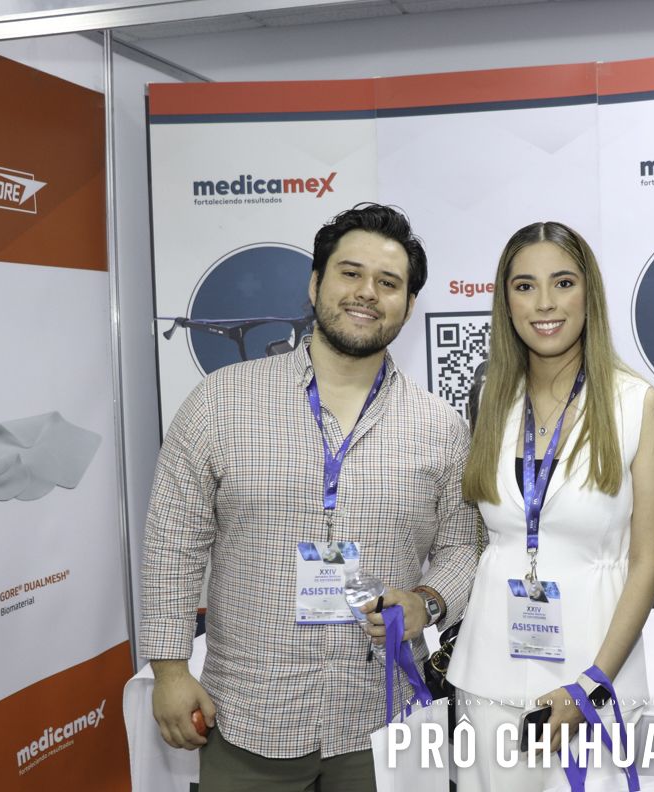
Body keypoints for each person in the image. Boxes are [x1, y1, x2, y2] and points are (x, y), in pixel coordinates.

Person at [141, 203, 481, 792]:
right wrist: (170, 670)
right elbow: (172, 543)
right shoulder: (220, 403)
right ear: (315, 283)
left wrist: (428, 601)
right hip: (250, 714)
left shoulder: (441, 427)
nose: (367, 292)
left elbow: (464, 545)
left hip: (384, 717)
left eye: (389, 282)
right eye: (351, 273)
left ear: (408, 304)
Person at [447, 221, 654, 791]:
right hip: (487, 678)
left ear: (589, 293)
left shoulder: (637, 405)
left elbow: (647, 563)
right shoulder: (491, 401)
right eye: (524, 286)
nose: (544, 303)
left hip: (595, 681)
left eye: (563, 282)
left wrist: (592, 682)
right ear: (505, 302)